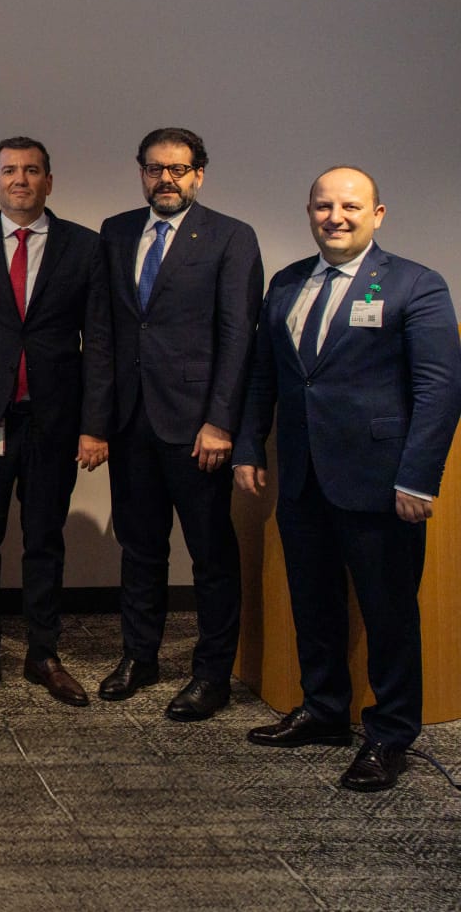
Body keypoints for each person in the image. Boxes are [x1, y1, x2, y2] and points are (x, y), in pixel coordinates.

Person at [236, 166, 461, 791]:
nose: (335, 217)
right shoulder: (286, 283)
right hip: (302, 477)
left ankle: (390, 734)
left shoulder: (416, 283)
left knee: (390, 614)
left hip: (381, 483)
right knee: (313, 602)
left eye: (350, 206)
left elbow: (440, 390)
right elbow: (265, 376)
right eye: (323, 206)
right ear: (309, 212)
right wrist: (250, 446)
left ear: (377, 214)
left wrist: (418, 479)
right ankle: (325, 710)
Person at [89, 127, 261, 722]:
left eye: (179, 169)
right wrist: (97, 421)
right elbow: (104, 333)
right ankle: (140, 657)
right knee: (139, 549)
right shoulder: (115, 232)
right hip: (130, 421)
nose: (166, 178)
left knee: (210, 556)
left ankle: (212, 674)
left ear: (199, 175)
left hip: (196, 429)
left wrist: (221, 422)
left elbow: (238, 338)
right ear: (141, 172)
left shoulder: (231, 236)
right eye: (155, 168)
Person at [0, 138, 107, 709]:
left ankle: (43, 654)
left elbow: (98, 342)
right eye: (9, 171)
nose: (20, 180)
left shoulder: (84, 246)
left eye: (32, 170)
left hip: (53, 421)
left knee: (45, 540)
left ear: (49, 182)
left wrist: (94, 425)